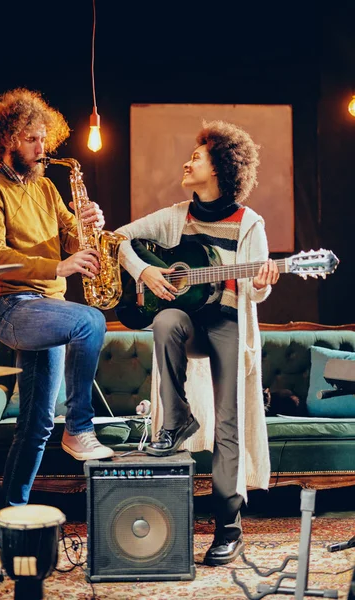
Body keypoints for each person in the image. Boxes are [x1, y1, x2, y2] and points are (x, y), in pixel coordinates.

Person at [116, 120, 280, 566]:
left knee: (229, 424)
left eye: (198, 156)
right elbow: (117, 239)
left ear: (222, 168)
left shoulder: (250, 224)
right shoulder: (174, 216)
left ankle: (228, 528)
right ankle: (178, 419)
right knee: (166, 318)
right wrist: (144, 272)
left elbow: (256, 290)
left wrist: (263, 281)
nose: (188, 162)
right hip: (187, 324)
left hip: (226, 323)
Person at [0, 88, 114, 507]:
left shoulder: (47, 188)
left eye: (44, 139)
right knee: (90, 321)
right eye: (32, 138)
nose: (41, 147)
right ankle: (80, 427)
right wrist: (58, 268)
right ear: (8, 139)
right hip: (11, 308)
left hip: (45, 309)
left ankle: (10, 512)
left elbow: (70, 237)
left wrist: (90, 224)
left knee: (36, 424)